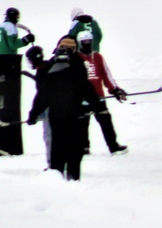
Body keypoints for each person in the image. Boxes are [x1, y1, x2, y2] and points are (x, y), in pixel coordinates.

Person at [27, 37, 100, 181]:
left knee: (57, 146)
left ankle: (57, 174)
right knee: (74, 147)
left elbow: (42, 95)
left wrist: (33, 114)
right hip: (75, 114)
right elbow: (87, 89)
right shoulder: (77, 66)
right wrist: (97, 106)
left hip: (57, 115)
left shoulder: (51, 69)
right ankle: (72, 176)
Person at [76, 30, 128, 155]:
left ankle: (113, 146)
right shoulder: (76, 58)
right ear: (80, 43)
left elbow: (106, 75)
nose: (87, 44)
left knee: (106, 121)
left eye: (89, 41)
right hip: (82, 97)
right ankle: (83, 148)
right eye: (84, 42)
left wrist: (115, 89)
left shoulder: (98, 57)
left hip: (98, 97)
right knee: (82, 123)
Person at [24, 45, 53, 167]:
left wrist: (34, 114)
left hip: (52, 109)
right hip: (63, 106)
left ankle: (52, 163)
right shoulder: (49, 66)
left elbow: (43, 96)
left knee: (49, 136)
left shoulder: (42, 71)